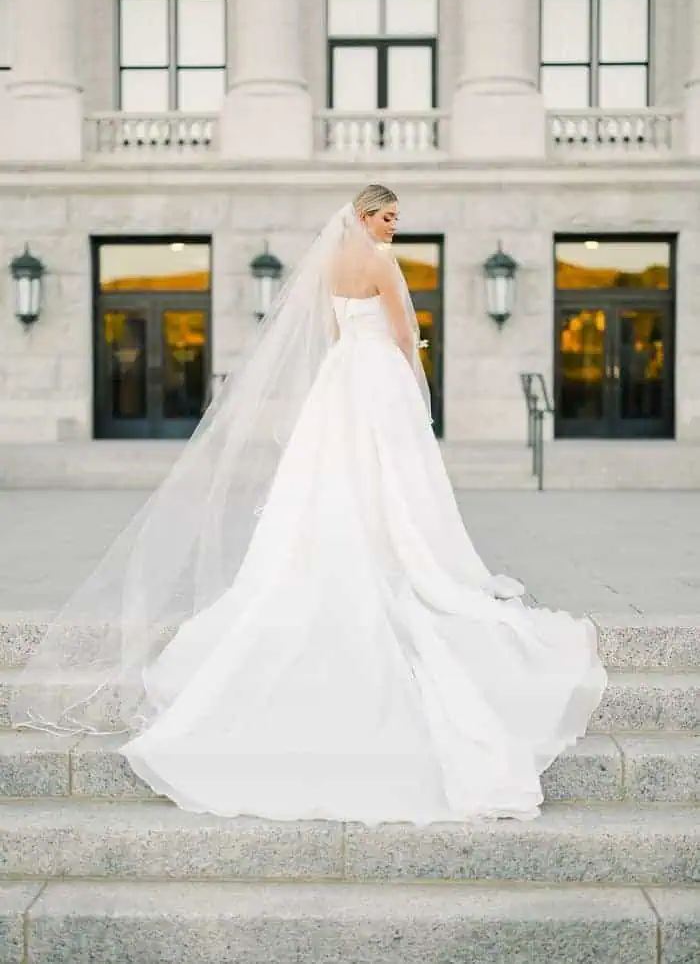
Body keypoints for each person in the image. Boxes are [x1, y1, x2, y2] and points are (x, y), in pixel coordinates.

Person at [12, 185, 607, 825]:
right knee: (391, 478)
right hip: (377, 379)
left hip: (340, 380)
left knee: (332, 474)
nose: (393, 226)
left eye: (396, 217)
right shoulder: (382, 263)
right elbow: (407, 337)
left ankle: (343, 547)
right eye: (385, 216)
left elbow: (328, 334)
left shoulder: (327, 266)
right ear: (362, 216)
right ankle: (392, 551)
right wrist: (417, 388)